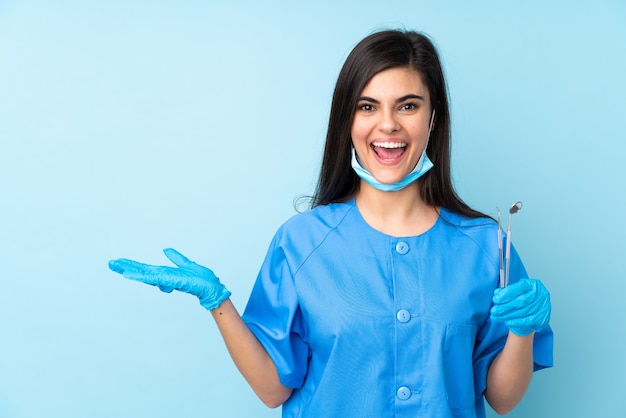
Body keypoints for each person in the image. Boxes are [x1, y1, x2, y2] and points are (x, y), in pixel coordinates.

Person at [109, 29, 553, 418]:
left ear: (433, 120)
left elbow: (502, 399)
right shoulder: (302, 243)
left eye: (408, 106)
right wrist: (218, 303)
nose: (387, 125)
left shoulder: (485, 246)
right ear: (347, 120)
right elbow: (272, 389)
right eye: (367, 106)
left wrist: (522, 329)